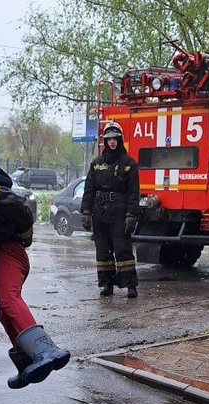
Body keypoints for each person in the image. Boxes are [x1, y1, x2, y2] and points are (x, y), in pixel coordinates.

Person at [0, 160, 71, 389]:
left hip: (9, 252)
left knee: (8, 299)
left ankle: (45, 350)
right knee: (4, 312)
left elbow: (2, 177)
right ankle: (26, 363)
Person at [81, 121, 141, 298]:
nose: (112, 142)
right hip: (100, 213)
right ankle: (106, 284)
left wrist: (131, 215)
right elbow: (89, 190)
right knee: (103, 250)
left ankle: (130, 286)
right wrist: (85, 211)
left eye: (115, 138)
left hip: (120, 213)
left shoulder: (129, 164)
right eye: (109, 139)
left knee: (123, 249)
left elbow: (133, 192)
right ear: (105, 141)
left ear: (120, 140)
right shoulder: (96, 163)